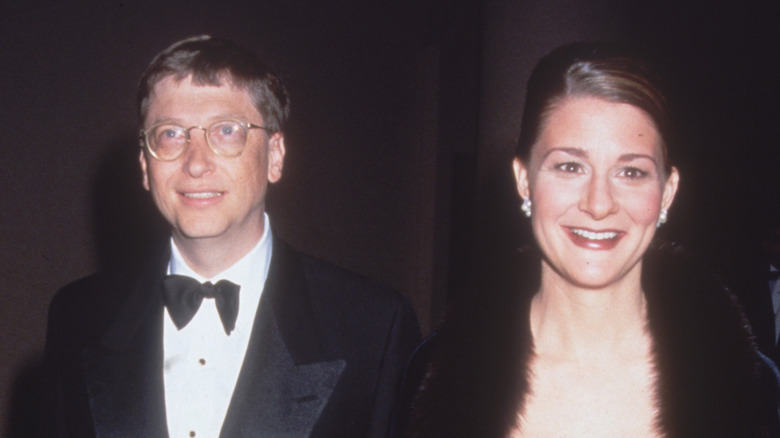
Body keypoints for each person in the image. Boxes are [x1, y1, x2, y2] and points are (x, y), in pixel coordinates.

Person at [38, 35, 420, 438]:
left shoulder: (374, 325)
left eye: (225, 131)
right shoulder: (77, 316)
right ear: (145, 166)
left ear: (275, 156)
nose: (196, 162)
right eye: (170, 134)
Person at [403, 42, 778, 437]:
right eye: (569, 166)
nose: (599, 204)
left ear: (667, 193)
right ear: (523, 180)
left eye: (631, 172)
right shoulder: (433, 372)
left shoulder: (752, 387)